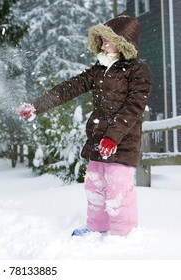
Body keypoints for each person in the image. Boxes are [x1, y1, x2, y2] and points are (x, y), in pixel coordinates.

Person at [17, 15, 153, 236]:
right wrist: (36, 106)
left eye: (108, 38)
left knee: (117, 187)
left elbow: (133, 108)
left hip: (123, 141)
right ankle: (97, 228)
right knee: (94, 184)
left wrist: (113, 138)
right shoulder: (99, 69)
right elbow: (68, 88)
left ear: (123, 41)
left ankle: (124, 234)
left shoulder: (139, 72)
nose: (103, 42)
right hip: (99, 139)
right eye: (102, 38)